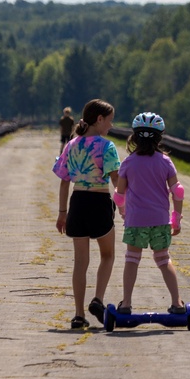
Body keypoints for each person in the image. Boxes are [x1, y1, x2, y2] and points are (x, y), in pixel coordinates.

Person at [53, 99, 120, 329]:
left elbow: (64, 182)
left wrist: (62, 213)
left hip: (78, 202)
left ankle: (79, 314)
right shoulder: (106, 147)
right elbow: (116, 180)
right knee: (108, 255)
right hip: (99, 202)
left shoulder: (71, 145)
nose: (111, 126)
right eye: (109, 121)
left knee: (80, 262)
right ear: (99, 119)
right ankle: (98, 300)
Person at [112, 112, 186, 315]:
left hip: (136, 221)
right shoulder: (165, 161)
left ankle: (126, 304)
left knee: (132, 259)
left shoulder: (128, 163)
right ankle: (177, 303)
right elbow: (177, 192)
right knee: (163, 259)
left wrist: (123, 212)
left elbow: (119, 195)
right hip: (160, 220)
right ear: (159, 137)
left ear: (134, 137)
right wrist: (176, 219)